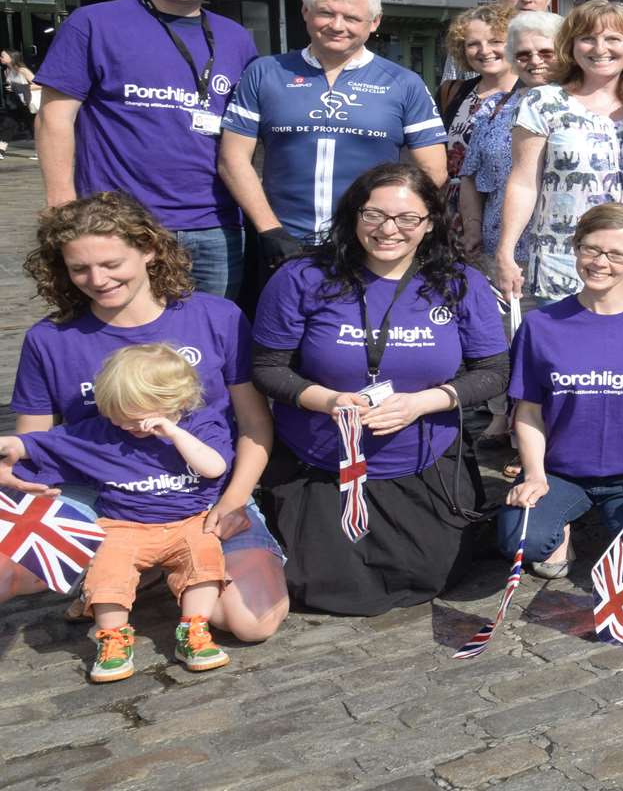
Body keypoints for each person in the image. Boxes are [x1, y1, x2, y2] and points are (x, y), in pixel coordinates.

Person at [2, 193, 287, 642]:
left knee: (252, 621)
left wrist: (235, 500)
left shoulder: (217, 317)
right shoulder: (50, 339)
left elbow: (254, 426)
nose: (97, 279)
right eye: (80, 269)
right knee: (4, 571)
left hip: (203, 491)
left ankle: (153, 568)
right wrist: (14, 474)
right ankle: (129, 565)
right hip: (99, 492)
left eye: (112, 263)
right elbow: (32, 444)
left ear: (150, 249)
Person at [250, 163, 508, 616]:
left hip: (420, 457)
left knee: (435, 575)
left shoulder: (459, 282)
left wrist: (423, 403)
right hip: (323, 459)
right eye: (374, 215)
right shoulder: (301, 278)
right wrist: (326, 400)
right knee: (318, 587)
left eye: (408, 218)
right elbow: (268, 368)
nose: (389, 230)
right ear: (353, 216)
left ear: (429, 224)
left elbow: (493, 371)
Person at [35, 0, 259, 300]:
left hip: (216, 224)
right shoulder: (94, 24)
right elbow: (54, 116)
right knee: (128, 341)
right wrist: (61, 204)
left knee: (213, 338)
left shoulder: (236, 38)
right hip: (121, 223)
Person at [0, 344, 235, 682]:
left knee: (204, 565)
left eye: (141, 419)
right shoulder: (101, 434)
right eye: (120, 418)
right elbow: (45, 443)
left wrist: (173, 432)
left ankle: (193, 631)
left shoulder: (203, 426)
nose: (131, 427)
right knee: (108, 571)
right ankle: (112, 636)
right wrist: (13, 445)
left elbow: (213, 467)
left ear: (179, 402)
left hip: (190, 519)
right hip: (125, 522)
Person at [498, 204, 623, 596]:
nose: (600, 263)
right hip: (562, 474)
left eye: (616, 254)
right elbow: (528, 411)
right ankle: (560, 530)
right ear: (576, 248)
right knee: (522, 541)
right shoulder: (541, 325)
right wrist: (535, 475)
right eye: (590, 249)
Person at [219, 0, 448, 266]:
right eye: (326, 13)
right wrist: (270, 230)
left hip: (367, 244)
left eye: (352, 18)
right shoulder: (264, 72)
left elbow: (434, 170)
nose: (337, 26)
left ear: (374, 22)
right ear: (305, 11)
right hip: (282, 241)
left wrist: (386, 228)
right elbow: (232, 159)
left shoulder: (403, 83)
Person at [495, 0, 623, 308]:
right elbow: (523, 182)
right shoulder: (543, 102)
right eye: (588, 37)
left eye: (613, 38)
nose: (600, 48)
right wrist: (506, 252)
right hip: (561, 261)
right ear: (571, 45)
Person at [459, 10, 563, 270]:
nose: (534, 61)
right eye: (523, 55)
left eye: (546, 52)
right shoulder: (495, 108)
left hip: (566, 257)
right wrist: (472, 229)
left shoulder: (584, 106)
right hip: (502, 256)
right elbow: (469, 177)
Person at [438, 5, 515, 236]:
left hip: (504, 213)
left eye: (495, 41)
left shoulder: (533, 96)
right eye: (473, 44)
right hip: (451, 217)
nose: (484, 50)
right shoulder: (451, 92)